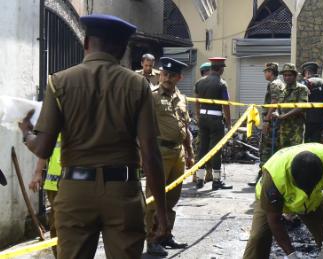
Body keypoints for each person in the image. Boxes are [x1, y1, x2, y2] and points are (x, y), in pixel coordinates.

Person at [18, 14, 168, 259]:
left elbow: (43, 148)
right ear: (121, 50)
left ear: (86, 43)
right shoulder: (138, 85)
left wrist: (26, 134)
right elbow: (151, 154)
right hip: (123, 191)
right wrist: (161, 213)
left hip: (75, 192)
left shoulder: (59, 82)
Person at [243, 143, 323, 259]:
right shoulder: (273, 178)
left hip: (311, 202)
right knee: (258, 238)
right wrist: (291, 255)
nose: (305, 193)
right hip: (271, 200)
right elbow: (274, 221)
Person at [145, 57, 194, 256]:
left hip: (178, 153)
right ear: (160, 75)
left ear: (179, 78)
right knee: (153, 199)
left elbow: (186, 127)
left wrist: (190, 152)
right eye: (164, 74)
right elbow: (141, 125)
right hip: (158, 153)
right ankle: (152, 239)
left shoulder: (181, 97)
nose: (167, 78)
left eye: (172, 76)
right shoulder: (151, 96)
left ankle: (166, 234)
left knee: (172, 198)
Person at [194, 57, 232, 190]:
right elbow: (226, 105)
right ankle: (216, 181)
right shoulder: (222, 83)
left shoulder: (200, 82)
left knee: (202, 148)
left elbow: (197, 101)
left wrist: (198, 117)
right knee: (216, 150)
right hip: (216, 120)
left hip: (203, 118)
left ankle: (199, 179)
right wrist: (229, 124)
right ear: (221, 69)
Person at [248, 62, 285, 187]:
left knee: (265, 148)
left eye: (266, 71)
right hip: (275, 120)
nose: (265, 74)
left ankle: (263, 176)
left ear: (271, 72)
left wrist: (267, 121)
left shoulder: (274, 84)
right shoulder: (279, 83)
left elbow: (274, 102)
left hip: (272, 121)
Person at [28, 135, 62, 258]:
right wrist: (38, 173)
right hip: (54, 184)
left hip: (76, 183)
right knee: (55, 225)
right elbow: (45, 148)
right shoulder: (57, 121)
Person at [273, 63, 309, 149]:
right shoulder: (282, 89)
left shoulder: (302, 88)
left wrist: (284, 116)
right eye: (285, 75)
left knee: (296, 152)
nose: (287, 77)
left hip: (296, 128)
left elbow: (301, 107)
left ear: (295, 75)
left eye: (290, 75)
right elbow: (278, 105)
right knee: (283, 152)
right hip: (283, 128)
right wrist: (276, 113)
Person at [300, 62, 323, 143]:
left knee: (305, 143)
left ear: (307, 72)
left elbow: (300, 101)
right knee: (316, 141)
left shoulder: (305, 83)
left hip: (306, 119)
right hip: (321, 118)